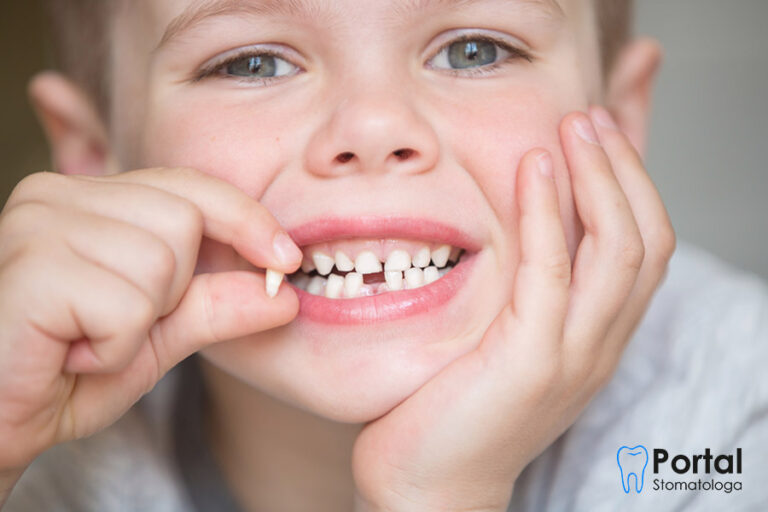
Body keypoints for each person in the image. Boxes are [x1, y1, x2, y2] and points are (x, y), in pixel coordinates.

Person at [1, 0, 766, 510]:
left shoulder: (732, 426)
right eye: (252, 64)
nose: (372, 126)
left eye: (472, 50)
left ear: (618, 121)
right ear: (97, 155)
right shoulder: (38, 442)